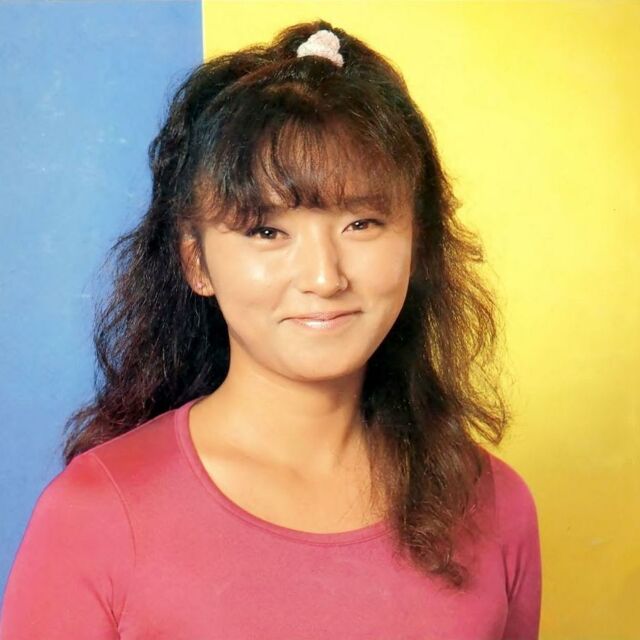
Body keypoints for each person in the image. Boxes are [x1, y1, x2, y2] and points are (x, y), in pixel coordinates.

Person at [0, 20, 541, 639]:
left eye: (361, 223)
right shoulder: (95, 515)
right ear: (197, 262)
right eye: (267, 231)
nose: (324, 277)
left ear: (417, 241)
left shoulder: (498, 504)